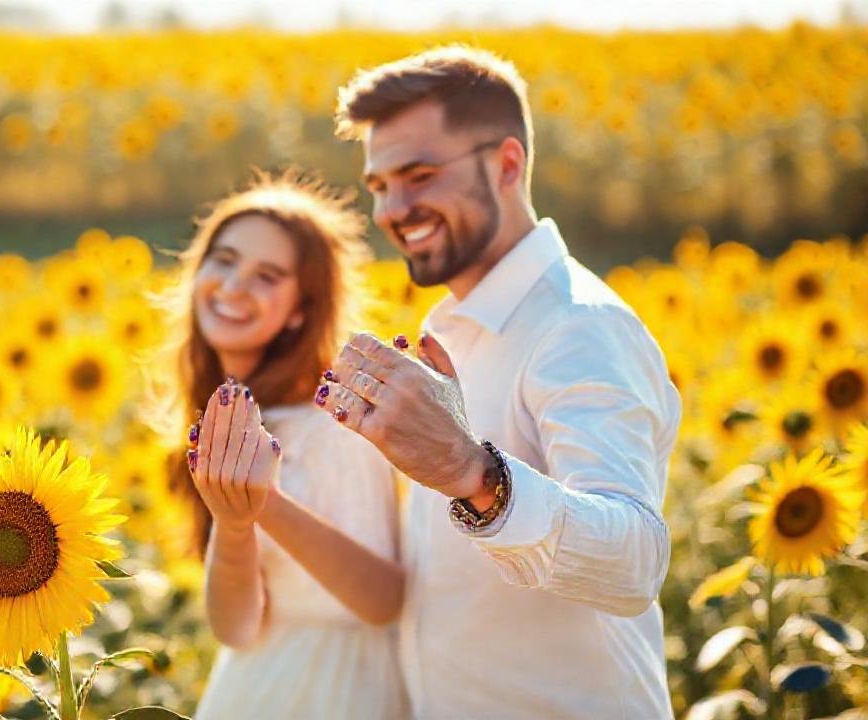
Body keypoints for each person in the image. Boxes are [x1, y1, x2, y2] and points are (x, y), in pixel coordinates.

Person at [317, 46, 682, 718]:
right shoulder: (455, 328)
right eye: (379, 186)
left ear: (507, 164)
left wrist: (472, 472)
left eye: (420, 174)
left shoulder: (579, 324)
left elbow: (635, 561)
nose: (394, 210)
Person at [150, 170, 409, 719]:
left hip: (340, 691)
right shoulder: (218, 421)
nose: (235, 285)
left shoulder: (334, 429)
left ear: (300, 310)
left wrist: (262, 500)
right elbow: (238, 628)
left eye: (267, 275)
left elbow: (384, 600)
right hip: (254, 682)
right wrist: (235, 520)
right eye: (223, 259)